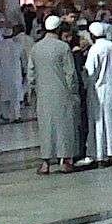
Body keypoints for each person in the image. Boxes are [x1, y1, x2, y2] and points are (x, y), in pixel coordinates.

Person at [29, 20, 81, 172]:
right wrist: (74, 92)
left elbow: (31, 73)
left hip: (43, 94)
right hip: (62, 93)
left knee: (46, 127)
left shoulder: (36, 47)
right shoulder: (63, 47)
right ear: (58, 29)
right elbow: (70, 74)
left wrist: (33, 90)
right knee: (64, 127)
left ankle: (45, 163)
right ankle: (65, 161)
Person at [83, 22, 112, 166]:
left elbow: (90, 72)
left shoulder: (95, 49)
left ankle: (100, 155)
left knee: (98, 122)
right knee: (111, 121)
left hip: (98, 91)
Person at [0, 21, 27, 122]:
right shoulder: (18, 45)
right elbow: (23, 59)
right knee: (15, 95)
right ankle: (17, 115)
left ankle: (5, 115)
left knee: (5, 95)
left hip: (4, 74)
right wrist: (24, 71)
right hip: (16, 73)